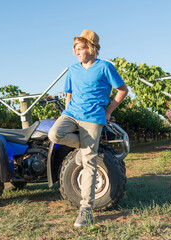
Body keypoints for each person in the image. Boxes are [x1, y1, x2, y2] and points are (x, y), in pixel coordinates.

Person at [48, 29, 128, 227]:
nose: (76, 52)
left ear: (91, 48)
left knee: (89, 163)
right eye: (75, 48)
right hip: (72, 114)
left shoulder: (104, 67)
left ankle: (86, 209)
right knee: (54, 134)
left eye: (80, 48)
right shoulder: (73, 69)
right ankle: (82, 148)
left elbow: (122, 90)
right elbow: (68, 92)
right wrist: (67, 112)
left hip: (93, 118)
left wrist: (108, 111)